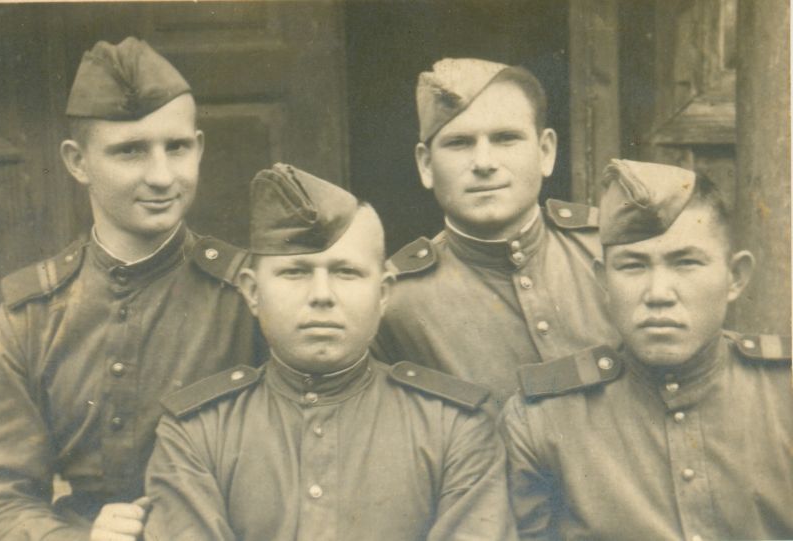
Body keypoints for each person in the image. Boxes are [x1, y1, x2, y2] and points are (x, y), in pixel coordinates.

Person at [142, 163, 516, 541]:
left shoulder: (455, 425)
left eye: (346, 272)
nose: (321, 295)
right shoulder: (197, 431)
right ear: (253, 291)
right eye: (295, 272)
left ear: (383, 293)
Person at [0, 37, 265, 540]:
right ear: (77, 162)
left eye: (177, 147)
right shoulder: (30, 316)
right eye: (130, 151)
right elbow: (3, 499)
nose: (161, 176)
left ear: (199, 148)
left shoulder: (251, 296)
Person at [500, 159, 792, 540]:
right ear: (603, 282)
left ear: (734, 277)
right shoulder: (543, 420)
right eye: (633, 266)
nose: (658, 294)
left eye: (685, 263)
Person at [372, 58, 619, 409]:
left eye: (505, 138)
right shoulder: (393, 300)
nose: (484, 163)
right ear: (426, 165)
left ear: (545, 152)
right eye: (459, 143)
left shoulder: (613, 250)